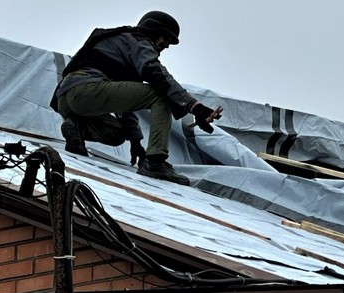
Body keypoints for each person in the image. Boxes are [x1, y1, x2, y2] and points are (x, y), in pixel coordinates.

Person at [50, 10, 223, 186]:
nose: (167, 45)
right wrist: (195, 107)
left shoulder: (120, 44)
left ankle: (78, 129)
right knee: (161, 95)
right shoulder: (138, 41)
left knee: (117, 134)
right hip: (86, 89)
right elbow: (159, 76)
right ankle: (155, 163)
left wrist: (136, 142)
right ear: (154, 30)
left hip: (66, 98)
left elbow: (125, 103)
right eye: (167, 38)